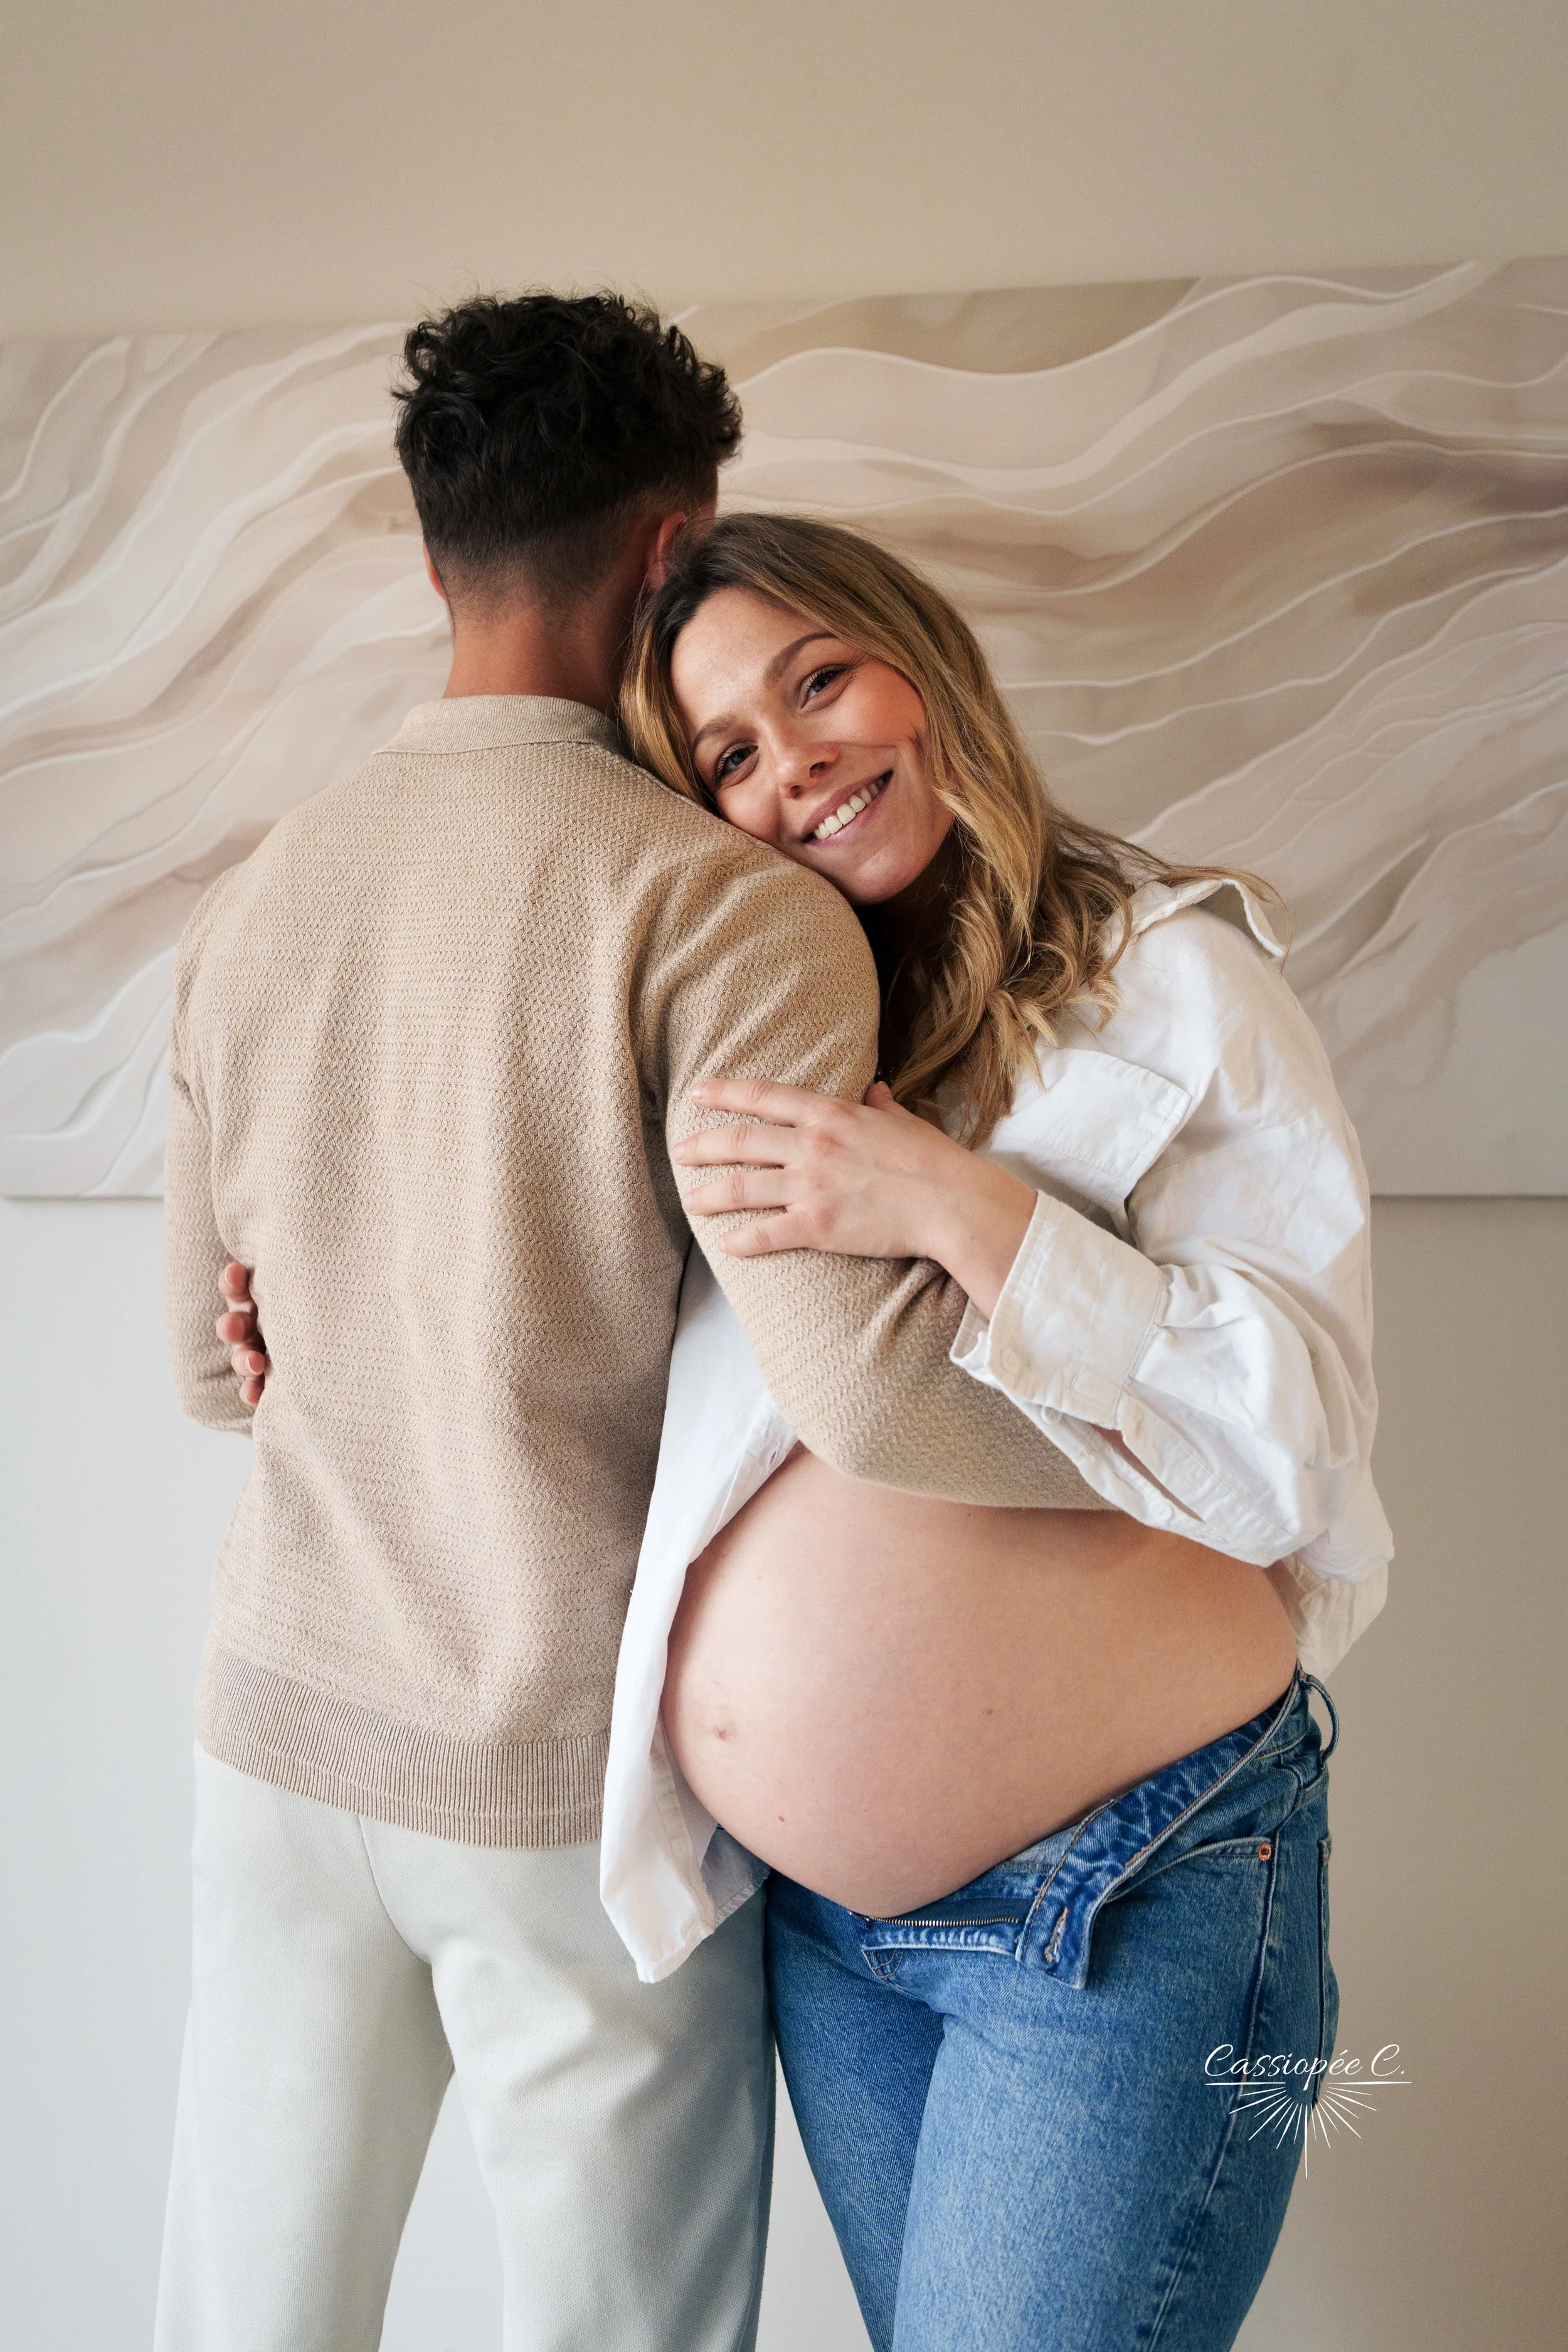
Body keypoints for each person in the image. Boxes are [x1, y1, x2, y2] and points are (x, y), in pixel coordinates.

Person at [157, 300, 1098, 2352]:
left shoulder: (261, 891)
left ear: (431, 559)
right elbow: (867, 1393)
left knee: (243, 2313)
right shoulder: (719, 905)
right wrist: (1182, 1472)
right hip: (554, 1782)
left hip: (277, 1740)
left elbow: (211, 1364)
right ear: (675, 546)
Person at [595, 512, 1392, 2351]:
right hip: (825, 1933)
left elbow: (1295, 1435)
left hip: (1122, 1898)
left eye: (818, 679)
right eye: (727, 749)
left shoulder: (1174, 978)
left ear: (921, 661)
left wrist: (960, 1203)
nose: (791, 760)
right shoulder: (766, 1028)